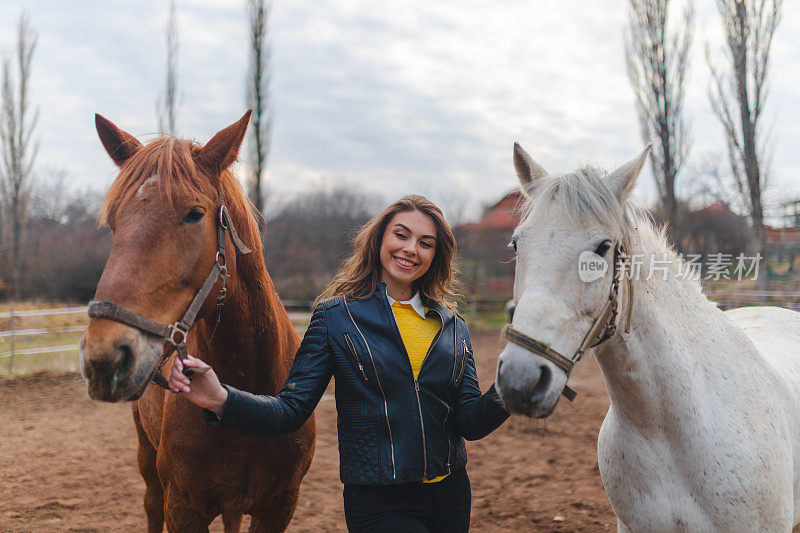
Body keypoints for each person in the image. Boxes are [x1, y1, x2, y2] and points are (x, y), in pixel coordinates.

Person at [168, 194, 510, 532]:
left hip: (451, 496)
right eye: (401, 235)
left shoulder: (454, 327)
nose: (410, 249)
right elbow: (290, 410)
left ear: (436, 255)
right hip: (380, 502)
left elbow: (470, 422)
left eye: (425, 242)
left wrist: (511, 386)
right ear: (380, 240)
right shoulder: (336, 318)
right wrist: (220, 398)